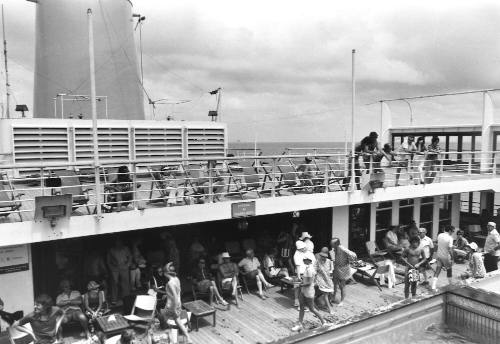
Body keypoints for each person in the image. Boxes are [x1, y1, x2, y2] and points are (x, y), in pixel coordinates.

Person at [291, 253, 327, 332]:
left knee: (312, 309)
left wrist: (299, 285)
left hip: (309, 291)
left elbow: (309, 283)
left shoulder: (310, 269)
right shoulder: (307, 268)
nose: (303, 260)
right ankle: (300, 324)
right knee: (301, 307)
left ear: (309, 260)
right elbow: (306, 281)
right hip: (304, 291)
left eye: (305, 259)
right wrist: (301, 281)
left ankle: (324, 322)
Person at [159, 263, 192, 343]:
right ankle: (188, 338)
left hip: (171, 306)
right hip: (178, 304)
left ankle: (170, 339)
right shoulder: (177, 279)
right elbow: (178, 293)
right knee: (178, 321)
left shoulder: (170, 283)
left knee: (161, 318)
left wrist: (174, 309)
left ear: (166, 273)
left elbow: (174, 296)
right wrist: (167, 295)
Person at [331, 238, 357, 306]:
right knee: (334, 283)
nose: (331, 244)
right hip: (337, 267)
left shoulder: (342, 248)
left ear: (336, 244)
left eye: (332, 243)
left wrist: (350, 260)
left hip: (343, 269)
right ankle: (333, 297)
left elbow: (353, 255)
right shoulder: (335, 248)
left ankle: (342, 301)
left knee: (342, 286)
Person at [107, 238, 132, 304]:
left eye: (119, 242)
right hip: (115, 269)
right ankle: (114, 299)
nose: (118, 243)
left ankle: (126, 298)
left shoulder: (125, 248)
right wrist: (111, 268)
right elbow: (108, 260)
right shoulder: (111, 250)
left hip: (124, 267)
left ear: (121, 242)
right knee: (114, 283)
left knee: (125, 282)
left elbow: (130, 257)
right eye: (116, 242)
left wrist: (127, 265)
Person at [431, 225, 455, 291]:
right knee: (449, 270)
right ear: (449, 231)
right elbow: (450, 250)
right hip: (446, 256)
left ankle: (433, 286)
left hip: (439, 255)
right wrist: (453, 258)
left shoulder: (440, 235)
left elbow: (437, 244)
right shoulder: (450, 238)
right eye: (452, 231)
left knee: (437, 270)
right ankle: (450, 284)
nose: (453, 233)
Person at [293, 240, 314, 308]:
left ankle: (302, 304)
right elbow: (298, 266)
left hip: (308, 272)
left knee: (303, 288)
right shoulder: (296, 254)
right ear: (300, 249)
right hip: (301, 273)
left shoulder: (307, 252)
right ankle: (298, 303)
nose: (305, 248)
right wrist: (299, 276)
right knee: (298, 288)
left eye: (305, 247)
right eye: (303, 248)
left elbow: (313, 261)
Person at [314, 247, 334, 314]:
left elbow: (331, 270)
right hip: (320, 278)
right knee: (325, 294)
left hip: (328, 278)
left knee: (331, 293)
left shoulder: (329, 261)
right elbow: (314, 270)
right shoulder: (317, 261)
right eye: (321, 256)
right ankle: (330, 309)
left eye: (324, 256)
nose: (322, 257)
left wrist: (331, 274)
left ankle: (325, 302)